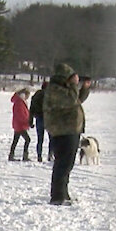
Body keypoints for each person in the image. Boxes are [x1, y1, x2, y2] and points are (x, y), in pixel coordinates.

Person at [43, 62, 89, 205]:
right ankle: (57, 196)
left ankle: (63, 193)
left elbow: (77, 101)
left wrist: (85, 89)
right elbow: (70, 100)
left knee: (67, 164)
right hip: (63, 131)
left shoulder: (64, 89)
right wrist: (75, 85)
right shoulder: (55, 90)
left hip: (70, 130)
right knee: (62, 164)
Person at [9, 87, 31, 162]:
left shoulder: (20, 101)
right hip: (20, 125)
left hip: (18, 124)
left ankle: (11, 155)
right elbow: (21, 115)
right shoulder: (20, 102)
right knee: (27, 139)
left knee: (15, 140)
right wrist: (27, 122)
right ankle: (25, 156)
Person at [28, 79, 48, 162]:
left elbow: (31, 109)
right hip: (48, 119)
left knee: (40, 139)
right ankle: (51, 155)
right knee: (52, 139)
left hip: (38, 118)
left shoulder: (35, 96)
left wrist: (30, 121)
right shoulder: (49, 96)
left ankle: (39, 156)